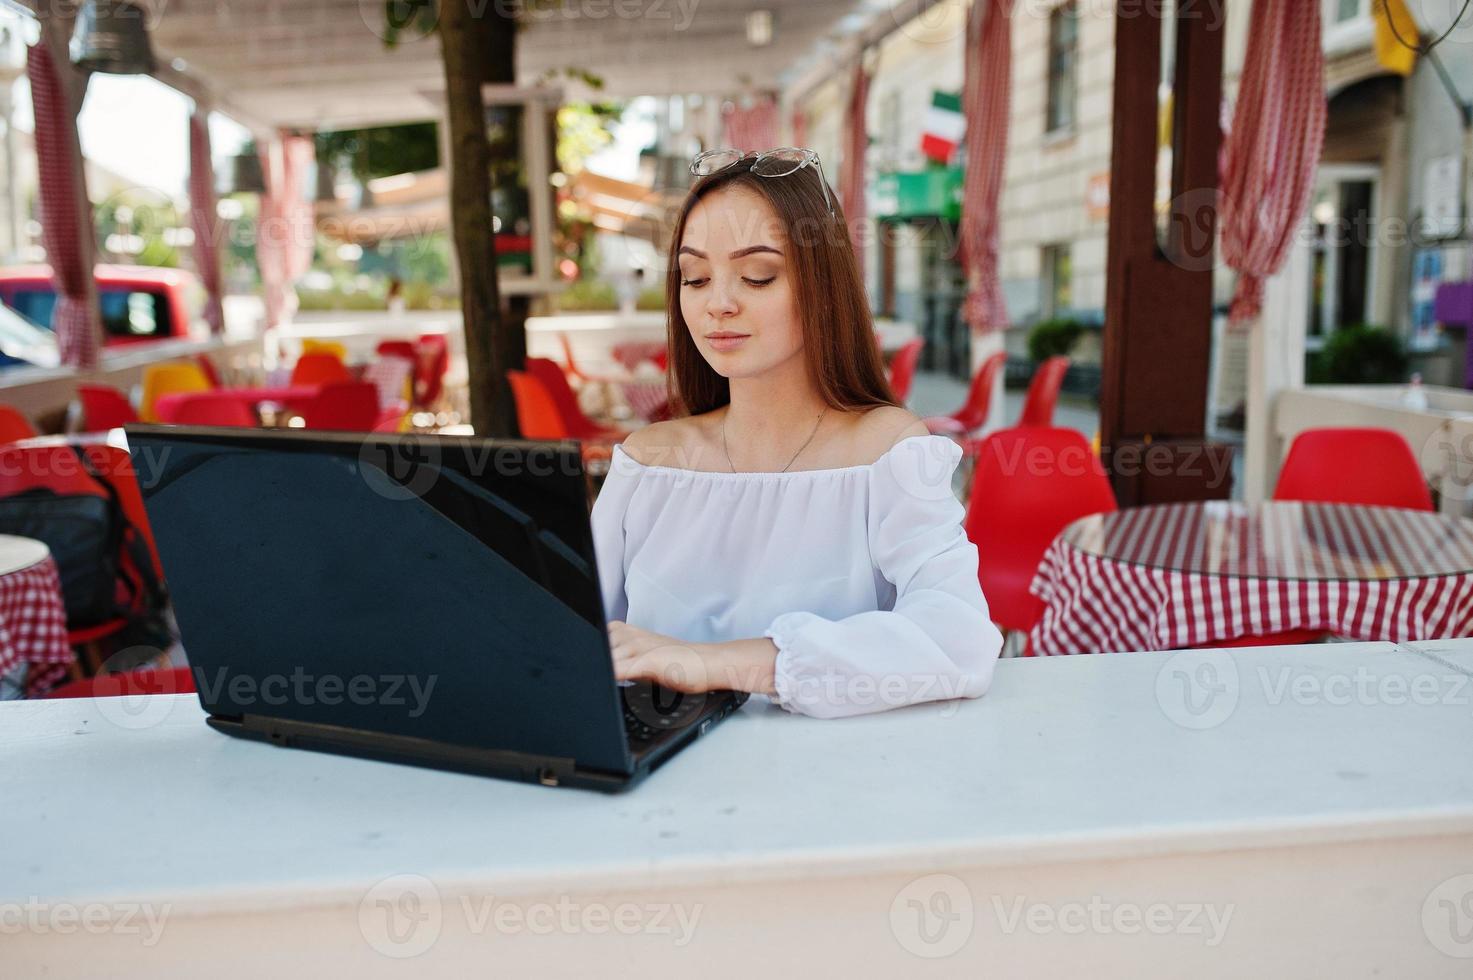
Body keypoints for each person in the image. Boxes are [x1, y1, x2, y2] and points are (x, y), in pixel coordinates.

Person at [590, 148, 1002, 720]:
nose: (719, 304)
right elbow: (576, 635)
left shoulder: (885, 452)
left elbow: (958, 639)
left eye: (758, 275)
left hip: (836, 786)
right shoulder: (649, 463)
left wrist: (722, 662)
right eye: (696, 277)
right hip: (658, 780)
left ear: (821, 285)